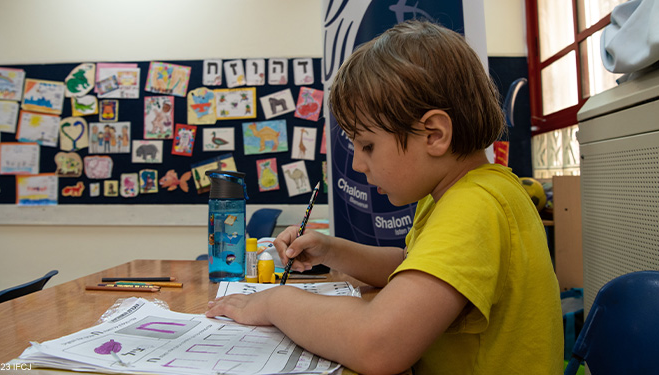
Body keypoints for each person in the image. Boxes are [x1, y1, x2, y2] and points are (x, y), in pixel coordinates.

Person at [206, 19, 563, 374]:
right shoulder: (461, 193)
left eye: (367, 145)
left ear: (434, 135)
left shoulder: (476, 206)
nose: (358, 164)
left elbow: (377, 344)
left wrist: (274, 302)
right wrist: (331, 250)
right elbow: (412, 269)